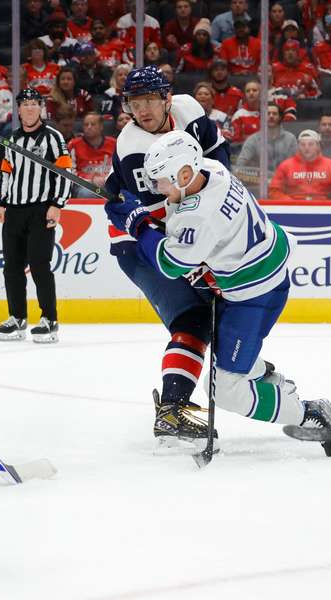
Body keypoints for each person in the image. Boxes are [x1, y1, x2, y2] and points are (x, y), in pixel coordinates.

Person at [104, 130, 331, 452]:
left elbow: (170, 262)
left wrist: (136, 223)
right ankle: (265, 377)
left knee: (225, 389)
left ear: (184, 174)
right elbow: (181, 218)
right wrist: (143, 210)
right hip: (261, 273)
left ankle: (313, 414)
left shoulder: (199, 215)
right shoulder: (211, 171)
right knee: (222, 347)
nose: (156, 189)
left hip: (254, 296)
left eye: (161, 181)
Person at [104, 65, 230, 444]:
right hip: (139, 241)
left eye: (149, 101)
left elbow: (218, 154)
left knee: (214, 313)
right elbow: (157, 218)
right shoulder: (132, 149)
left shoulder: (190, 110)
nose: (141, 110)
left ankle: (184, 401)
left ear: (167, 98)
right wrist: (192, 264)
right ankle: (173, 409)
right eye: (134, 102)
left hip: (178, 228)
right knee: (192, 318)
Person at [0, 88, 73, 344]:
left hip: (41, 209)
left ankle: (49, 319)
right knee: (12, 268)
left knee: (40, 266)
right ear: (18, 109)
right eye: (24, 103)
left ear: (41, 107)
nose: (29, 108)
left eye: (33, 103)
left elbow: (64, 171)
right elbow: (6, 172)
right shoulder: (13, 138)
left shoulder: (53, 137)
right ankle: (17, 317)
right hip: (14, 211)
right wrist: (1, 202)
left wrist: (57, 204)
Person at [269, 130, 331, 201]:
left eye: (310, 144)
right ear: (298, 146)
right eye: (303, 144)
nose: (306, 148)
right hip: (293, 209)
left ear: (318, 146)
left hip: (322, 208)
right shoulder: (285, 166)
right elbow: (274, 190)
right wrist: (291, 204)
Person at [236, 103, 298, 170]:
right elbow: (240, 164)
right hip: (259, 179)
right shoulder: (253, 140)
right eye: (268, 113)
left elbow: (296, 165)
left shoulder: (290, 139)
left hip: (284, 179)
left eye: (274, 113)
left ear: (280, 117)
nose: (271, 116)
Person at [67, 111, 115, 197]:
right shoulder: (73, 144)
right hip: (85, 185)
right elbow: (70, 172)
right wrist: (91, 180)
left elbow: (119, 168)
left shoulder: (114, 143)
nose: (89, 127)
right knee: (86, 194)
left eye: (93, 124)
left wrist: (107, 179)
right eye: (86, 124)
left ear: (101, 127)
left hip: (109, 183)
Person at [224, 79, 260, 145]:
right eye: (248, 91)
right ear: (244, 94)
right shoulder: (239, 115)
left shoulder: (268, 112)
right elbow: (235, 141)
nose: (251, 93)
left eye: (254, 90)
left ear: (261, 93)